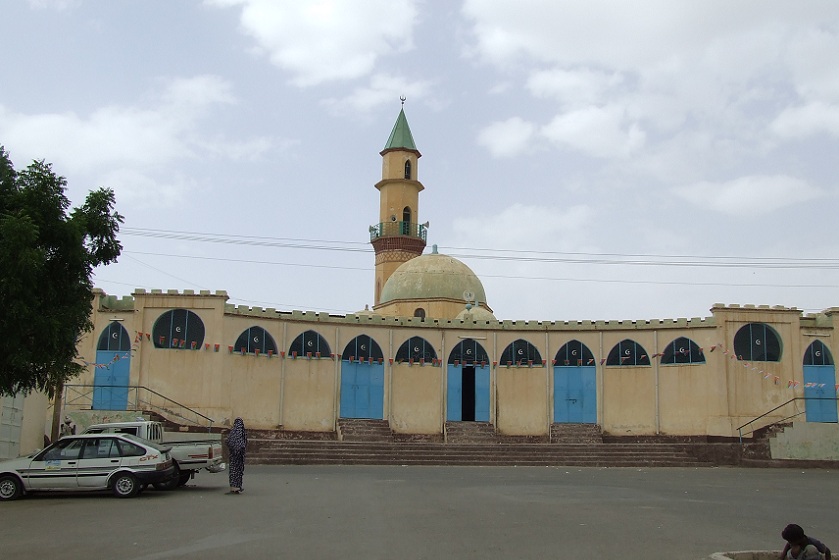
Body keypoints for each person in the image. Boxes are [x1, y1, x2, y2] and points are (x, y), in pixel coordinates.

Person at [226, 417, 248, 494]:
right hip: (240, 457)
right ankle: (238, 487)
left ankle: (234, 488)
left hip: (234, 456)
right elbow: (244, 444)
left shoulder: (234, 432)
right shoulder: (243, 433)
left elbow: (229, 441)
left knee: (233, 472)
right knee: (238, 472)